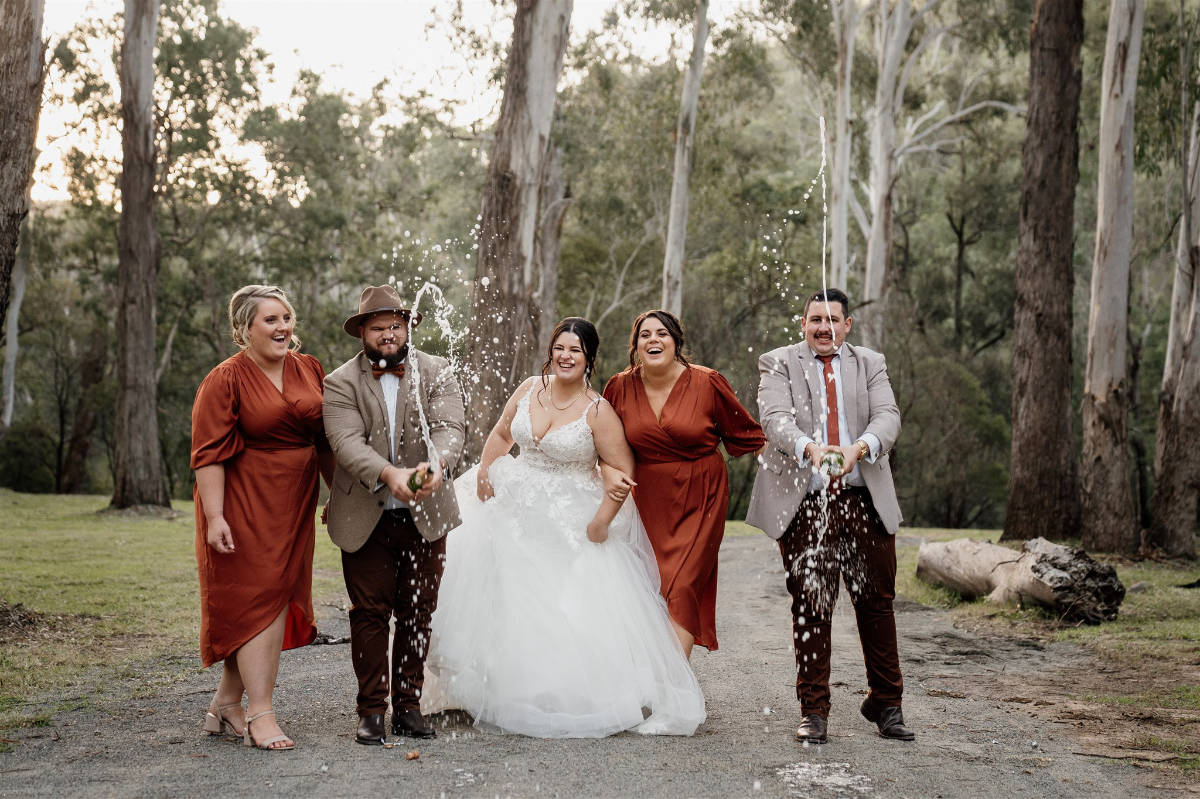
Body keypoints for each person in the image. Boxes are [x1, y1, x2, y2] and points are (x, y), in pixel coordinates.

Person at [421, 317, 705, 738]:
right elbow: (501, 433)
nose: (565, 356)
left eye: (575, 349)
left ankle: (551, 692)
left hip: (568, 515)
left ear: (588, 357)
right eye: (560, 347)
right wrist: (484, 470)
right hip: (513, 499)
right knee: (491, 586)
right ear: (551, 351)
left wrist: (602, 519)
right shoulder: (527, 389)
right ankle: (485, 684)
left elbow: (622, 468)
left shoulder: (597, 410)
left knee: (555, 602)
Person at [745, 288, 914, 745]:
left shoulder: (870, 362)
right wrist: (811, 448)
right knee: (812, 604)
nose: (824, 327)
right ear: (803, 324)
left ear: (847, 325)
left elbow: (889, 418)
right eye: (815, 319)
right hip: (806, 503)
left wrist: (859, 448)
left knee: (876, 602)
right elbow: (774, 418)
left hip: (863, 499)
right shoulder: (777, 361)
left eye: (833, 319)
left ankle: (887, 703)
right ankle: (814, 711)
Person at [322, 284, 466, 746]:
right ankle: (371, 712)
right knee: (368, 613)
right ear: (362, 332)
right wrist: (389, 474)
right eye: (379, 327)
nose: (389, 334)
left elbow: (450, 429)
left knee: (418, 612)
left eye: (396, 326)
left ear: (409, 327)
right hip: (366, 515)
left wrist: (435, 466)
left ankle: (409, 706)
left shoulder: (437, 370)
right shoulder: (339, 382)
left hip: (427, 514)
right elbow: (345, 444)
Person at [192, 284, 334, 751]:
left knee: (275, 593)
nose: (282, 327)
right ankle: (261, 713)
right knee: (261, 600)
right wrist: (215, 517)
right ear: (245, 328)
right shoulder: (225, 379)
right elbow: (207, 455)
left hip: (294, 501)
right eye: (270, 320)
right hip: (243, 499)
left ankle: (227, 705)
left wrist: (339, 496)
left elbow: (326, 439)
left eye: (286, 317)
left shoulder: (309, 367)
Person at [601, 310, 766, 658]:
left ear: (676, 342)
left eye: (662, 333)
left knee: (684, 587)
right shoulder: (618, 387)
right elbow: (601, 445)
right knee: (650, 586)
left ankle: (674, 694)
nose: (653, 340)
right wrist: (607, 470)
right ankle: (648, 678)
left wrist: (800, 465)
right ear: (635, 345)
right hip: (646, 499)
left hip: (702, 495)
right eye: (645, 335)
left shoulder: (708, 382)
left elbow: (748, 437)